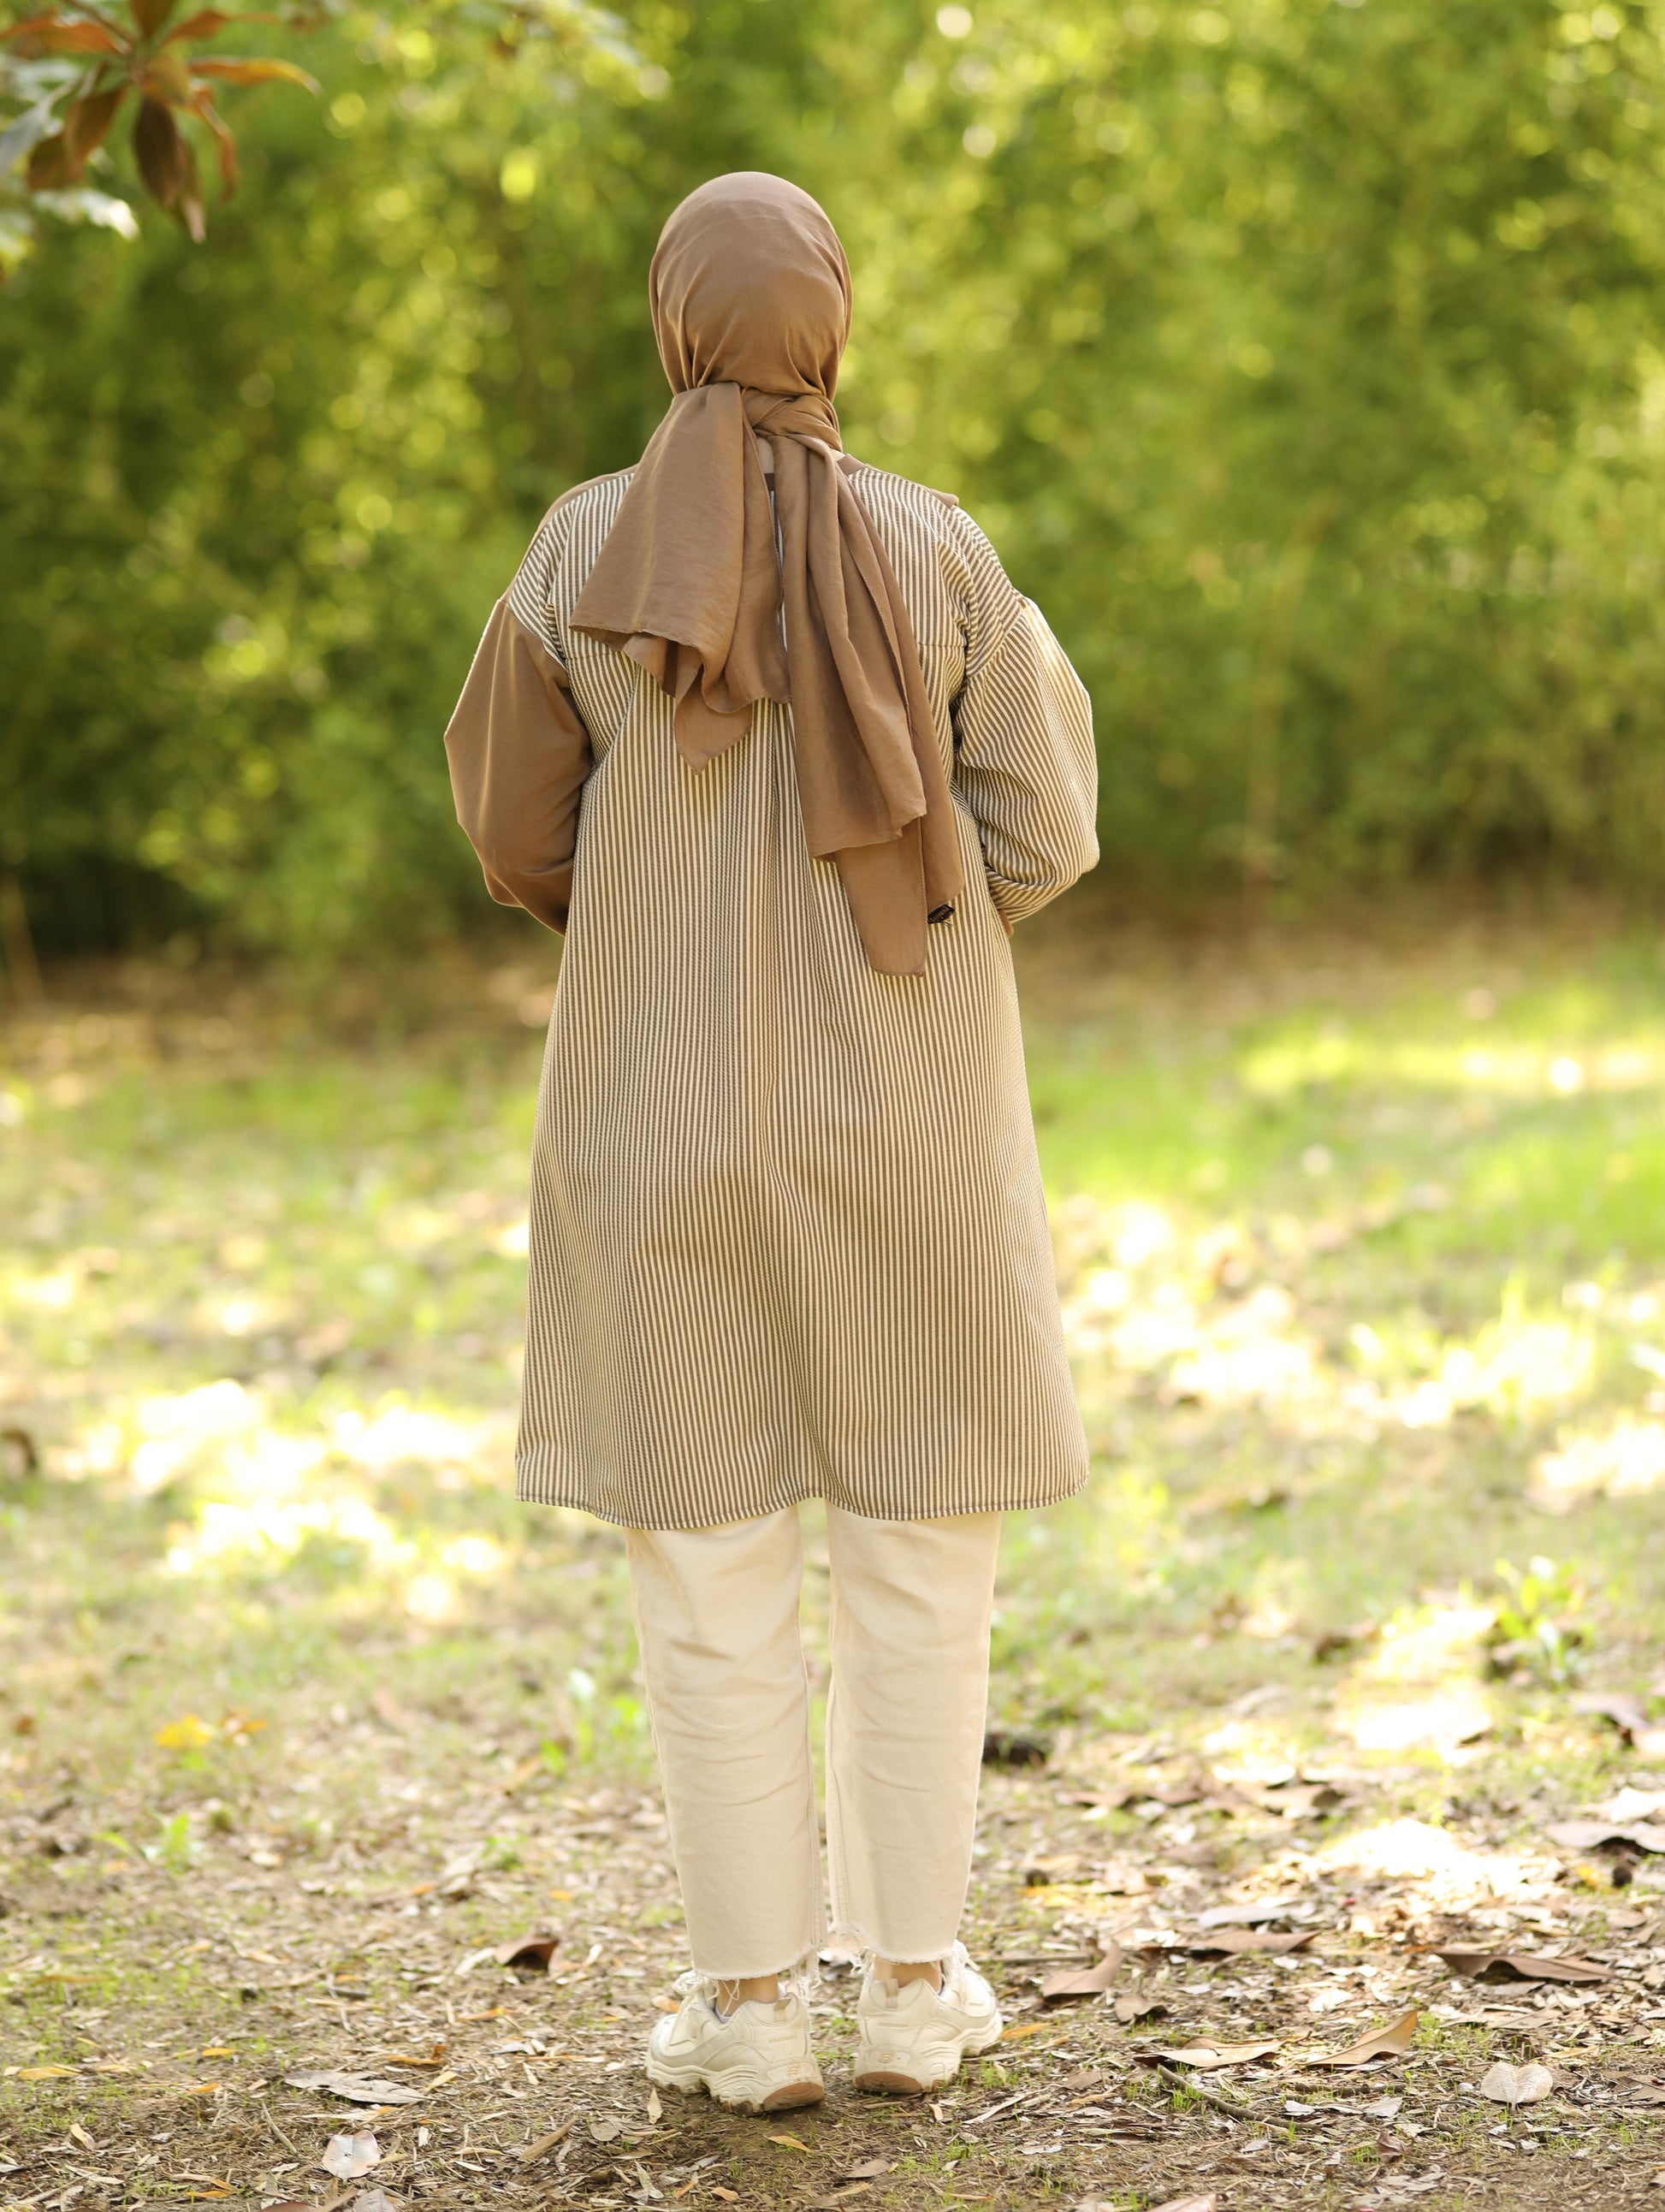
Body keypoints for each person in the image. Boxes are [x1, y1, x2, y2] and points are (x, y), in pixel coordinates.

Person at [443, 170, 1098, 2116]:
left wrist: (659, 908)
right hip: (910, 1125)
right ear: (829, 321)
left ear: (673, 323)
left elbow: (512, 827)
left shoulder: (575, 554)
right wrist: (904, 914)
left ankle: (747, 2011)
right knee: (921, 1559)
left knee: (710, 1582)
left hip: (652, 1130)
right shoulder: (938, 548)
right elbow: (1045, 822)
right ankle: (906, 1991)